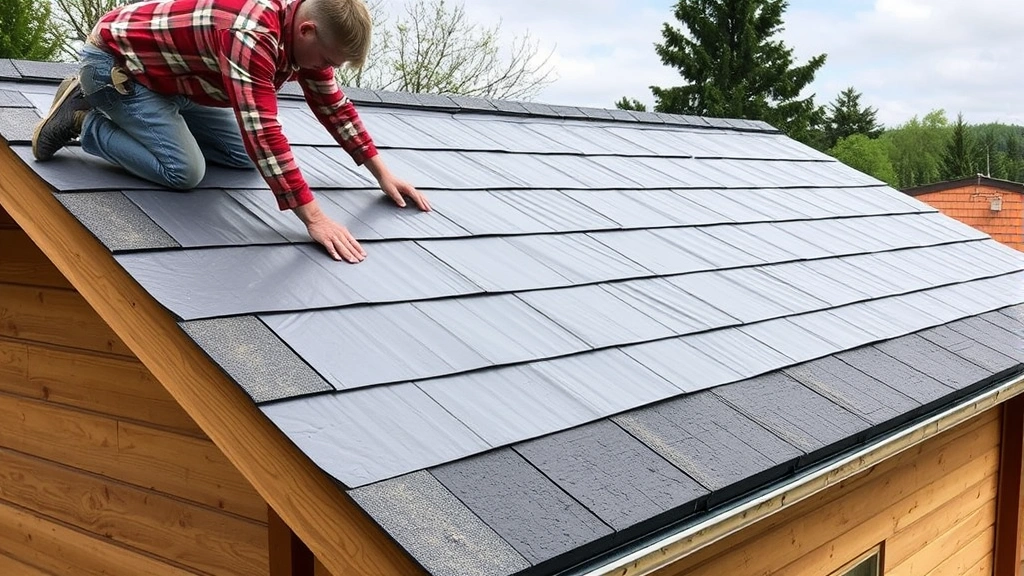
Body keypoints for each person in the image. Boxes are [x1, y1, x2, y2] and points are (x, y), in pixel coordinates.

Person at [31, 0, 429, 263]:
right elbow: (264, 132)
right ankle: (86, 120)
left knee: (243, 158)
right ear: (306, 31)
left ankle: (156, 121)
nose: (326, 68)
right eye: (326, 59)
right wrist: (315, 219)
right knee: (185, 171)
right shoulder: (252, 35)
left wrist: (382, 173)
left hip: (174, 78)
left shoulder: (299, 36)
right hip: (116, 67)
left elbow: (333, 105)